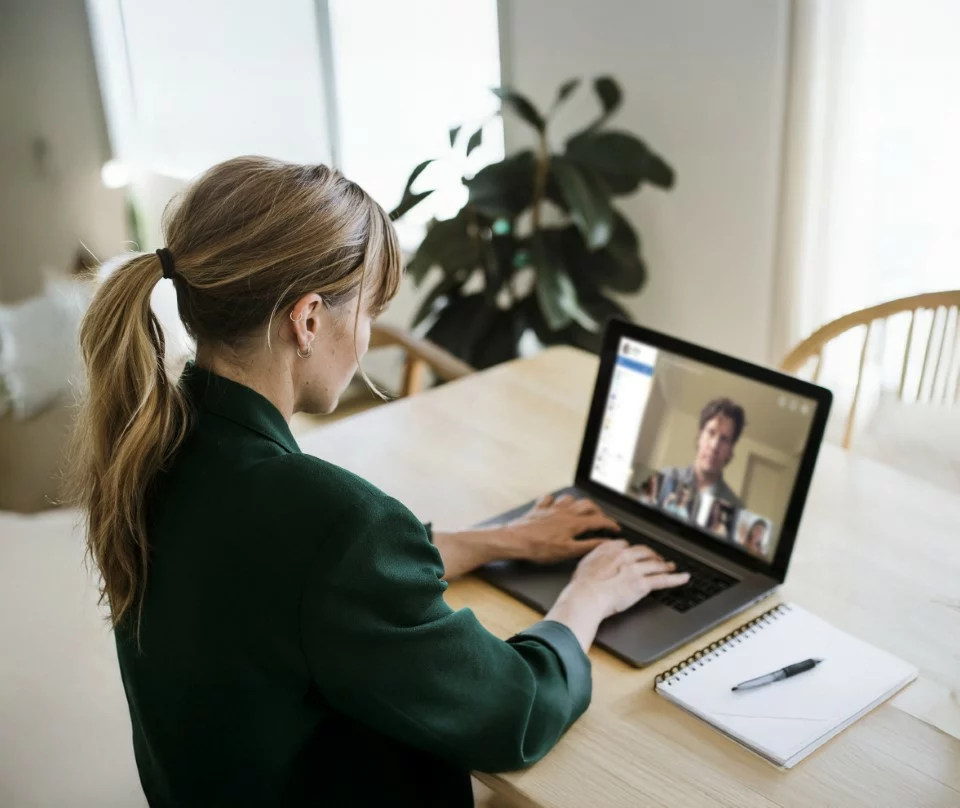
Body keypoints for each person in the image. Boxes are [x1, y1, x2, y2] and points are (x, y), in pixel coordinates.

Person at [65, 157, 690, 808]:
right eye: (366, 312)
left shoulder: (154, 447)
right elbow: (514, 713)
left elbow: (298, 584)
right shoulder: (333, 521)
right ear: (307, 320)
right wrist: (587, 596)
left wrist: (499, 540)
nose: (365, 341)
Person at [657, 397, 747, 522]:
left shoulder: (736, 508)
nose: (715, 445)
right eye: (711, 432)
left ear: (731, 450)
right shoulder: (666, 476)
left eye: (724, 439)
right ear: (699, 436)